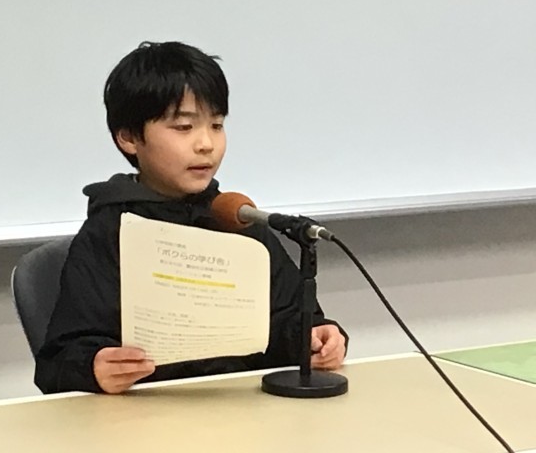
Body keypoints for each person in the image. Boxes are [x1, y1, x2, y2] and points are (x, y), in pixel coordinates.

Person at [34, 41, 348, 394]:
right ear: (129, 137)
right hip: (144, 413)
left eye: (216, 125)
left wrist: (315, 339)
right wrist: (93, 368)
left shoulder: (234, 219)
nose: (206, 144)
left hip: (241, 408)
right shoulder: (110, 230)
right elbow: (57, 363)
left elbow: (284, 324)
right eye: (184, 127)